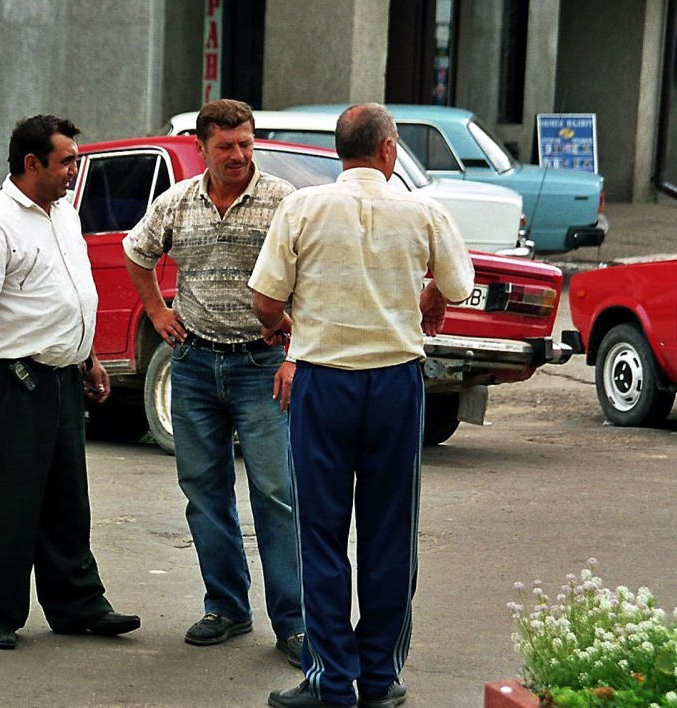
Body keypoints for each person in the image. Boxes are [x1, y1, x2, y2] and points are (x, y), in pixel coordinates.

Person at [250, 103, 474, 708]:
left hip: (323, 381)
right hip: (396, 384)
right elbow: (457, 285)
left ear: (342, 150)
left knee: (320, 533)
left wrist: (288, 326)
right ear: (387, 149)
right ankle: (380, 678)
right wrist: (427, 287)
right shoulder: (423, 210)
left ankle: (330, 679)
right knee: (389, 533)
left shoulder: (302, 206)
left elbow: (264, 299)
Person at [0, 115, 140, 650]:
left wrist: (89, 358)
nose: (74, 172)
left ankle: (78, 604)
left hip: (60, 378)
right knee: (7, 501)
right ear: (32, 163)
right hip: (10, 380)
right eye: (66, 162)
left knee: (67, 500)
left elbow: (67, 295)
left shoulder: (63, 216)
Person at [122, 99, 305, 666]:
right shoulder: (177, 204)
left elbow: (311, 279)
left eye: (246, 143)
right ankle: (226, 606)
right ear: (201, 148)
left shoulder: (283, 203)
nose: (238, 155)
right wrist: (156, 312)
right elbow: (136, 253)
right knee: (204, 492)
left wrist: (294, 355)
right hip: (195, 366)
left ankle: (294, 622)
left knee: (276, 493)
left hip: (261, 367)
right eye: (225, 146)